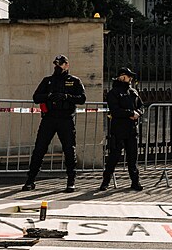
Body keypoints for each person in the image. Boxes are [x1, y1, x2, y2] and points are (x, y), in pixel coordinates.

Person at [22, 55, 86, 192]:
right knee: (39, 149)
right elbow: (36, 97)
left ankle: (71, 181)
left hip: (66, 119)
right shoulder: (48, 81)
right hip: (49, 119)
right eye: (56, 64)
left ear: (67, 65)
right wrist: (49, 96)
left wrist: (66, 97)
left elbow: (82, 98)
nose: (58, 66)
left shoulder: (74, 81)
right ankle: (30, 180)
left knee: (69, 150)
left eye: (61, 64)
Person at [100, 67, 144, 191]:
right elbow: (115, 110)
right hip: (118, 129)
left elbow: (141, 106)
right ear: (122, 76)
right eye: (128, 76)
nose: (130, 79)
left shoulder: (133, 92)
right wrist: (130, 113)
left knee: (132, 156)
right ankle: (105, 181)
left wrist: (139, 113)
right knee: (114, 156)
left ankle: (135, 182)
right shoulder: (114, 92)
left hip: (131, 129)